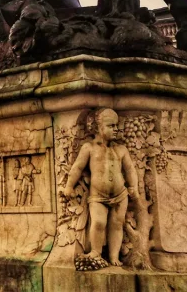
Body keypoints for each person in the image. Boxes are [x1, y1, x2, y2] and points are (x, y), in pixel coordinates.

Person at [59, 108, 139, 266]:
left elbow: (130, 170)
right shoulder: (89, 148)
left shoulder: (121, 149)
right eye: (111, 126)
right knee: (98, 223)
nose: (116, 129)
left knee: (117, 225)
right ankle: (96, 251)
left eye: (116, 126)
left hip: (120, 195)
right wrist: (69, 186)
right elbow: (77, 168)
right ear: (97, 127)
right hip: (98, 196)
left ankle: (114, 256)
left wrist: (134, 187)